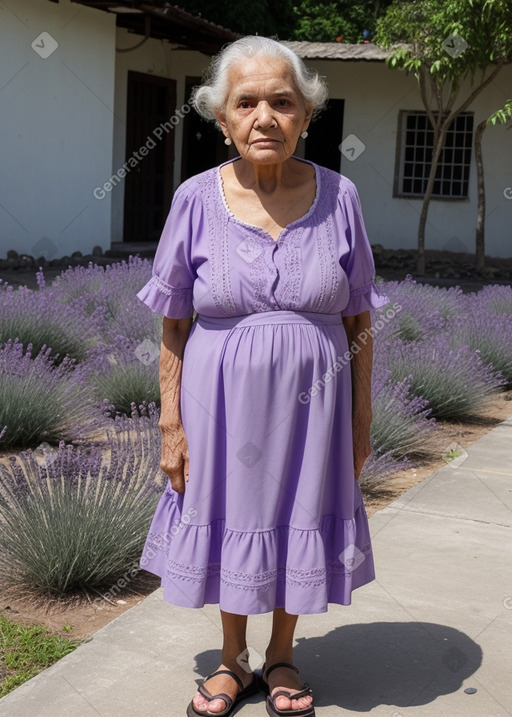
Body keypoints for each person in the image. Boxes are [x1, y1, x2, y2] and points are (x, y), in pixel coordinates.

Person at [137, 35, 387, 717]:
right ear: (222, 119)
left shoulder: (342, 198)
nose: (264, 117)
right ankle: (230, 659)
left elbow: (361, 316)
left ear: (307, 115)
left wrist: (363, 416)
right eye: (246, 102)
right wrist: (170, 420)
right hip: (218, 403)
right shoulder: (194, 199)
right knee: (230, 515)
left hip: (317, 405)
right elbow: (172, 319)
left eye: (282, 102)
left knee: (296, 513)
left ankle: (281, 653)